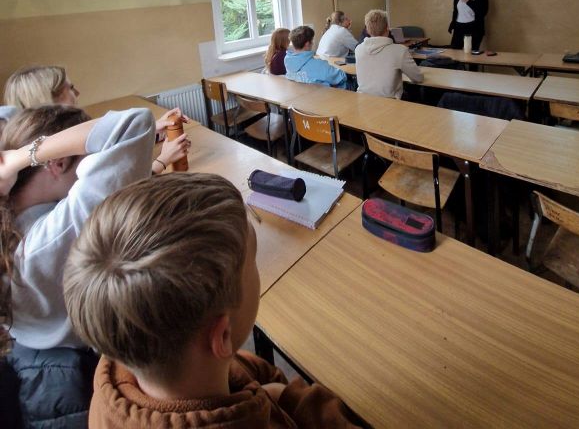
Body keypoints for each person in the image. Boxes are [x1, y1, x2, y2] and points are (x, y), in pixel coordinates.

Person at [63, 172, 367, 428]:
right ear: (221, 337)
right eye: (254, 262)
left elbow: (238, 366)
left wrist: (268, 390)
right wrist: (289, 397)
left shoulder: (123, 363)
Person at [0, 105, 159, 427]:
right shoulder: (54, 234)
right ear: (57, 162)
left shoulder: (12, 228)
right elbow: (133, 123)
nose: (90, 168)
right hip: (72, 376)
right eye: (87, 159)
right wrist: (17, 158)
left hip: (36, 364)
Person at [3, 64, 190, 170]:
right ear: (52, 98)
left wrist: (151, 130)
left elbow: (108, 150)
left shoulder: (37, 143)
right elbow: (116, 194)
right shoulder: (56, 161)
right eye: (70, 88)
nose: (77, 93)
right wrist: (163, 160)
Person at [355, 10, 423, 98]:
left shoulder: (358, 49)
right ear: (387, 28)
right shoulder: (400, 50)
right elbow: (418, 78)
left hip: (363, 100)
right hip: (390, 102)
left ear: (367, 30)